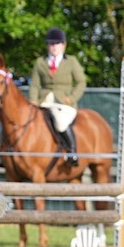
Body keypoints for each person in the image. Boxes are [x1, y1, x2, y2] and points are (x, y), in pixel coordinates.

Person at [28, 27, 87, 165]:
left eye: (57, 44)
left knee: (61, 123)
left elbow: (81, 82)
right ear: (47, 46)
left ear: (63, 45)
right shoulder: (40, 62)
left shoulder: (71, 61)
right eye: (51, 44)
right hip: (44, 100)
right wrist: (33, 99)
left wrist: (72, 98)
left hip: (64, 102)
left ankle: (72, 152)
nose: (54, 47)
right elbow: (35, 84)